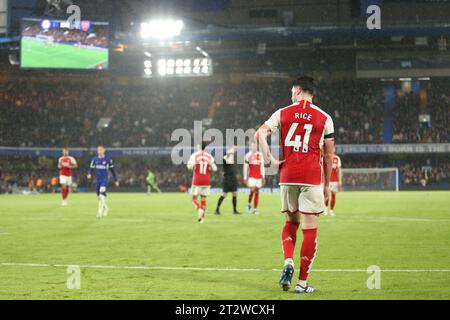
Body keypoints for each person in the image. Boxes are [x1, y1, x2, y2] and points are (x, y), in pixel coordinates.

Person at [256, 76, 334, 294]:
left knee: (290, 222)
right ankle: (302, 283)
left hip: (287, 174)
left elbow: (259, 133)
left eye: (292, 91)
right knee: (310, 230)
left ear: (299, 90)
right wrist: (327, 184)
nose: (291, 95)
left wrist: (270, 159)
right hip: (311, 176)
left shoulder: (282, 112)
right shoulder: (325, 117)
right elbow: (329, 155)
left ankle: (288, 261)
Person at [187, 141, 217, 224]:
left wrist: (193, 167)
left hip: (197, 179)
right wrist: (209, 168)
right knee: (203, 198)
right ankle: (202, 219)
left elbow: (189, 166)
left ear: (199, 147)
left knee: (193, 198)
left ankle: (199, 209)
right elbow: (215, 168)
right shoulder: (209, 156)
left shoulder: (195, 155)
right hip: (206, 180)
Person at [87, 145, 119, 219]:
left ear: (104, 150)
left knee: (101, 195)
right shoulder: (94, 159)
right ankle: (105, 208)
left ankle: (100, 212)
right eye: (98, 150)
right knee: (99, 197)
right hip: (98, 180)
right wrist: (89, 174)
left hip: (104, 180)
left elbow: (113, 171)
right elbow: (91, 169)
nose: (99, 151)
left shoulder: (108, 160)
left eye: (101, 150)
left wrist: (116, 180)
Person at [215, 145, 241, 215]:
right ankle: (217, 209)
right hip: (227, 178)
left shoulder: (231, 157)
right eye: (234, 148)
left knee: (235, 193)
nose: (235, 150)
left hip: (233, 177)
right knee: (224, 194)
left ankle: (235, 210)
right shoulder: (225, 156)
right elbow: (227, 160)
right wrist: (230, 152)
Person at [243, 142, 265, 215]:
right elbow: (245, 167)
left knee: (257, 192)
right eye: (253, 146)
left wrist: (263, 177)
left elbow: (262, 166)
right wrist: (245, 177)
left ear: (257, 147)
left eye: (255, 146)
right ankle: (249, 204)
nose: (254, 147)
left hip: (258, 176)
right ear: (251, 147)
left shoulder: (260, 155)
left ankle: (255, 209)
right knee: (252, 190)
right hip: (251, 176)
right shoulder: (248, 155)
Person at [324, 148, 342, 216]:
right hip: (327, 180)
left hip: (334, 181)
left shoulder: (337, 158)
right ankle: (325, 208)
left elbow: (339, 170)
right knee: (326, 195)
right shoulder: (326, 157)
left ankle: (331, 210)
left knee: (333, 195)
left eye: (333, 148)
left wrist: (339, 180)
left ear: (334, 150)